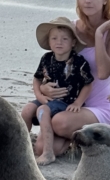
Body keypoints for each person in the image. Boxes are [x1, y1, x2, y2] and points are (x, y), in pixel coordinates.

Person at [39, 0, 110, 156]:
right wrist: (44, 89)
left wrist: (99, 34)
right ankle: (81, 143)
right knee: (41, 148)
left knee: (59, 123)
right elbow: (52, 66)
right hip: (68, 104)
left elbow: (103, 73)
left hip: (98, 107)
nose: (87, 0)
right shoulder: (70, 28)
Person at [21, 18, 94, 165]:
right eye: (54, 38)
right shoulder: (46, 58)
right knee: (28, 109)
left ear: (73, 42)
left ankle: (48, 153)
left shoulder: (79, 62)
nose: (58, 42)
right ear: (49, 42)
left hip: (65, 104)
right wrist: (39, 95)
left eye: (64, 39)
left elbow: (88, 84)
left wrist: (78, 102)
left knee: (42, 110)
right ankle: (22, 146)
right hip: (47, 100)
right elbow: (37, 79)